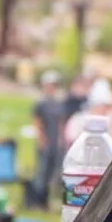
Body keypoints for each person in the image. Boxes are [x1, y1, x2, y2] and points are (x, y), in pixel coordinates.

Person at [30, 71, 72, 209]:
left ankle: (45, 201)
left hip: (55, 143)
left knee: (52, 172)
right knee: (42, 172)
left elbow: (61, 122)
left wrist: (61, 139)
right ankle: (36, 200)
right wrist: (42, 139)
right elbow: (37, 122)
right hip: (46, 142)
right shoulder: (40, 104)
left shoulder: (58, 104)